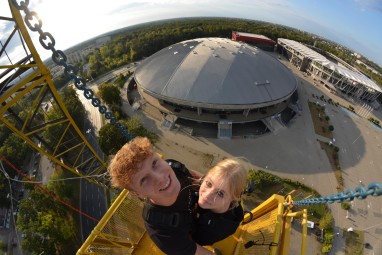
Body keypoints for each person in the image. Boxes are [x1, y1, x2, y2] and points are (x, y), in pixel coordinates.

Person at [108, 137, 214, 255]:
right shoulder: (161, 230)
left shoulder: (175, 168)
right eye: (144, 179)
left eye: (154, 163)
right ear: (138, 193)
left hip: (203, 212)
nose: (160, 178)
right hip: (191, 235)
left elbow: (200, 180)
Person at [193, 158, 247, 246]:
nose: (207, 195)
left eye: (220, 193)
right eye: (209, 183)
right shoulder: (228, 192)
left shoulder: (218, 229)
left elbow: (192, 243)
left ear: (233, 199)